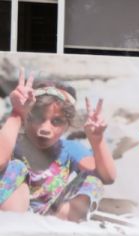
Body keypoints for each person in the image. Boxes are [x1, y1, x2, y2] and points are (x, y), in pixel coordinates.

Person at [0, 69, 116, 221]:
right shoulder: (12, 141)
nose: (45, 129)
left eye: (56, 121)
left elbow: (107, 177)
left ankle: (64, 224)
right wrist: (17, 113)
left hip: (50, 214)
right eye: (37, 118)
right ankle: (16, 222)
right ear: (26, 117)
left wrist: (97, 140)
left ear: (67, 125)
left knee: (93, 180)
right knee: (16, 167)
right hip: (11, 213)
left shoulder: (69, 148)